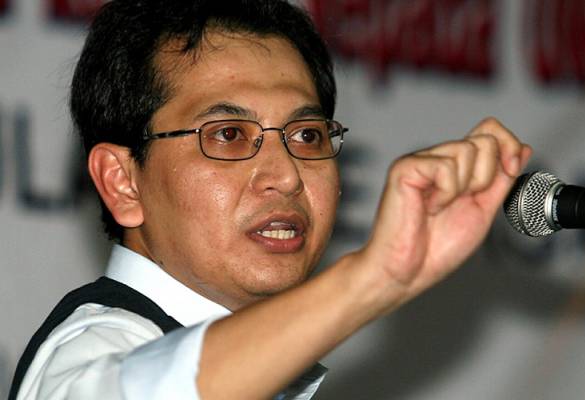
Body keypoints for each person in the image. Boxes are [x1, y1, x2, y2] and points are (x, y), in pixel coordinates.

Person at [9, 0, 532, 399]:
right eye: (228, 135)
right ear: (123, 181)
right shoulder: (91, 352)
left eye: (306, 135)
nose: (286, 176)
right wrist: (374, 276)